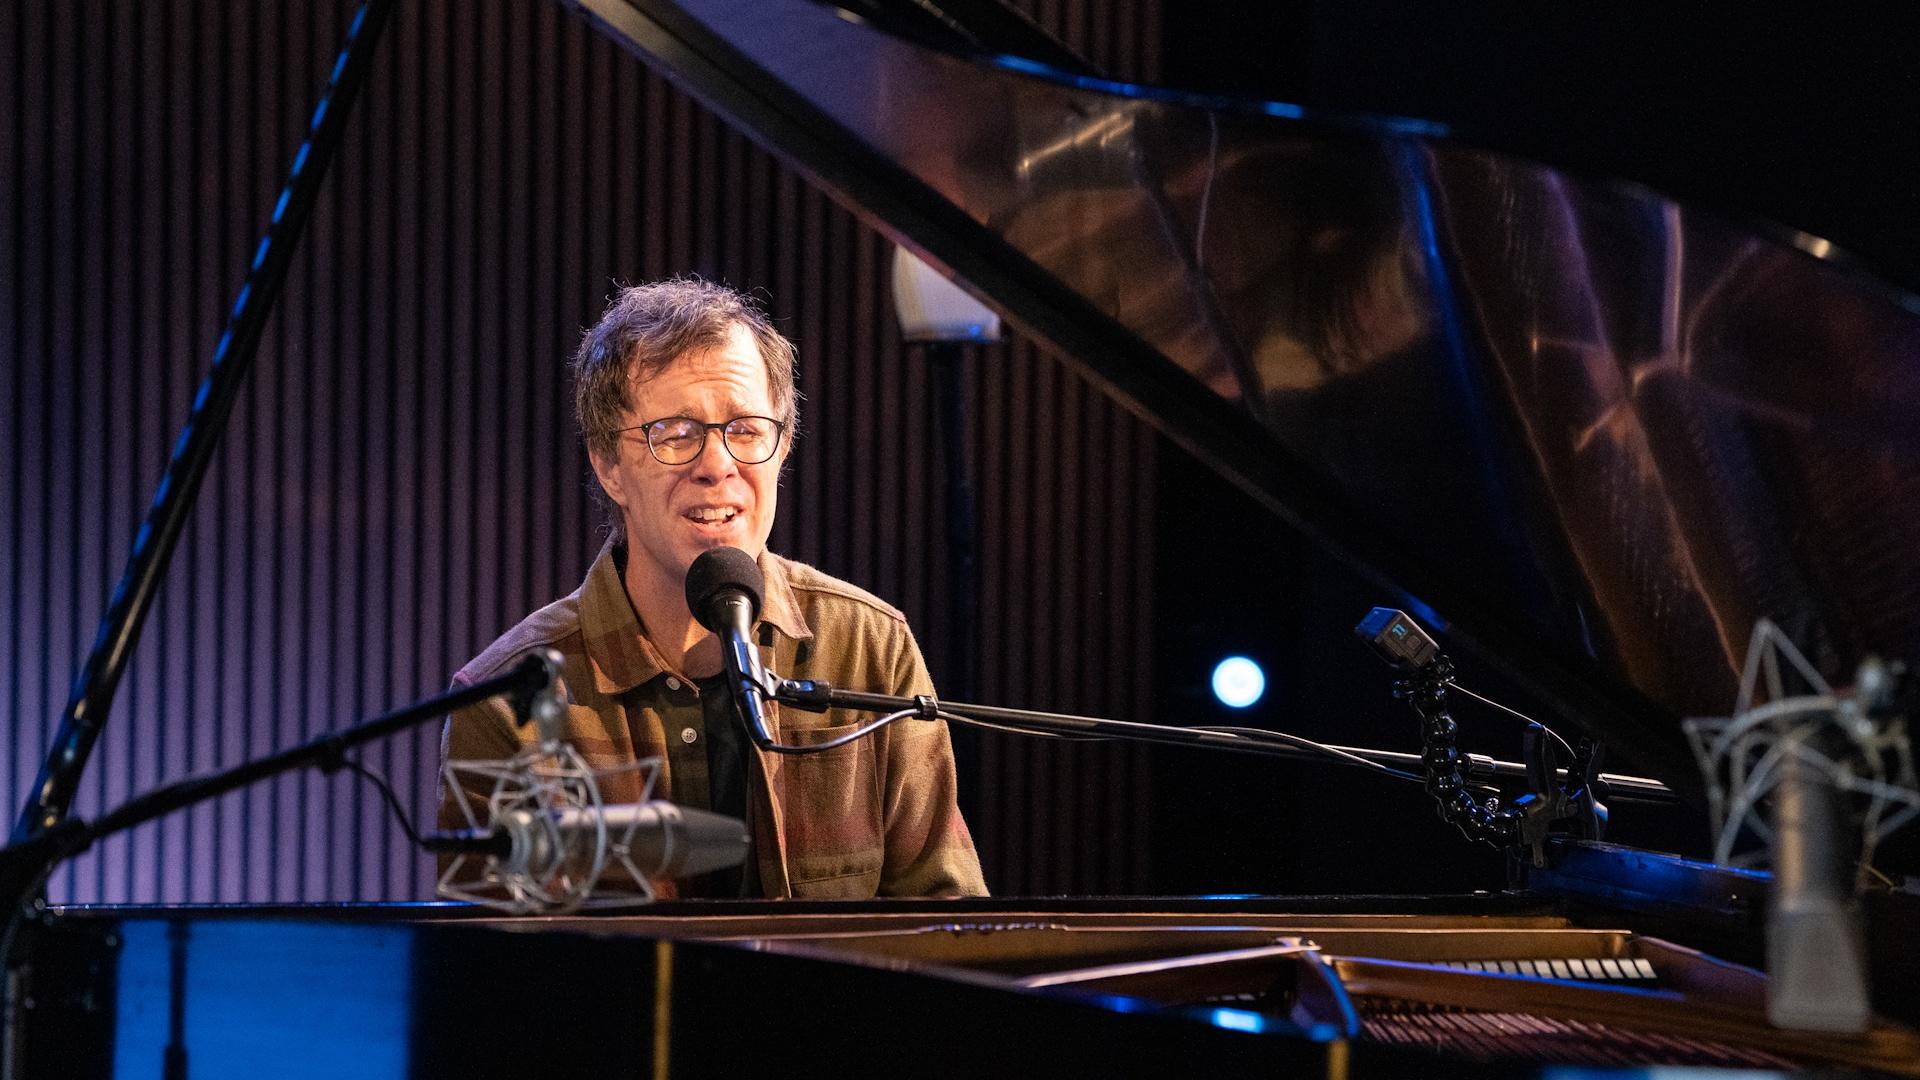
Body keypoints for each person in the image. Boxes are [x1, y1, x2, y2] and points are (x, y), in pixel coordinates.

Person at [440, 279, 987, 899]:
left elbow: (948, 920)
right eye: (675, 433)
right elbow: (491, 953)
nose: (717, 464)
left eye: (746, 429)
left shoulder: (870, 648)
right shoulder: (504, 700)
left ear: (781, 449)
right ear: (608, 465)